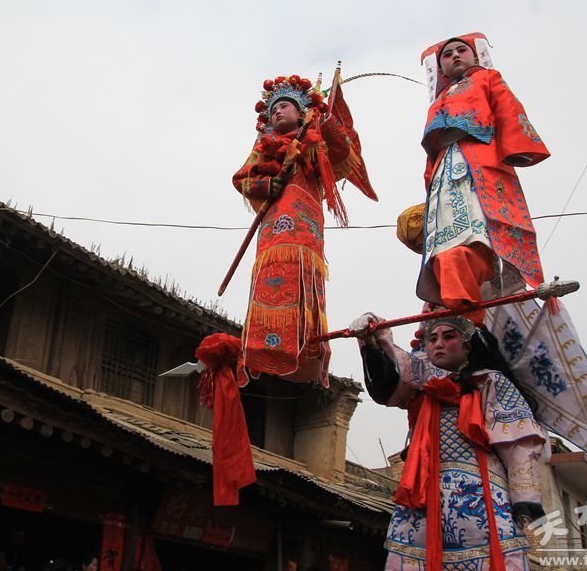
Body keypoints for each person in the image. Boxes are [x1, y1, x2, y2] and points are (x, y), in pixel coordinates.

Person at [351, 310, 546, 570]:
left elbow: (518, 442)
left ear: (467, 346)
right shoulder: (420, 383)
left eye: (449, 337)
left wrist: (525, 498)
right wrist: (371, 338)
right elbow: (390, 376)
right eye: (432, 339)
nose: (439, 344)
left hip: (481, 494)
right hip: (423, 493)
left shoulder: (490, 382)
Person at [232, 74, 376, 385]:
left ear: (300, 112)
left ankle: (305, 346)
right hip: (271, 232)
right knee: (269, 279)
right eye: (273, 109)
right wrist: (268, 184)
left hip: (305, 227)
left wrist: (323, 118)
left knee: (304, 281)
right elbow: (242, 179)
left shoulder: (314, 139)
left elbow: (344, 150)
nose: (277, 112)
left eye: (284, 107)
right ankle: (263, 344)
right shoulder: (263, 148)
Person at [416, 33, 550, 325]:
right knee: (446, 237)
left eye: (461, 50)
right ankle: (460, 298)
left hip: (480, 158)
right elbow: (430, 151)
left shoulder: (488, 78)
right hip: (445, 166)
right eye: (447, 54)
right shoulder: (438, 99)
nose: (455, 56)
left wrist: (515, 149)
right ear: (441, 68)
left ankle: (481, 275)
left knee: (481, 225)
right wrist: (429, 183)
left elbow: (507, 110)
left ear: (475, 56)